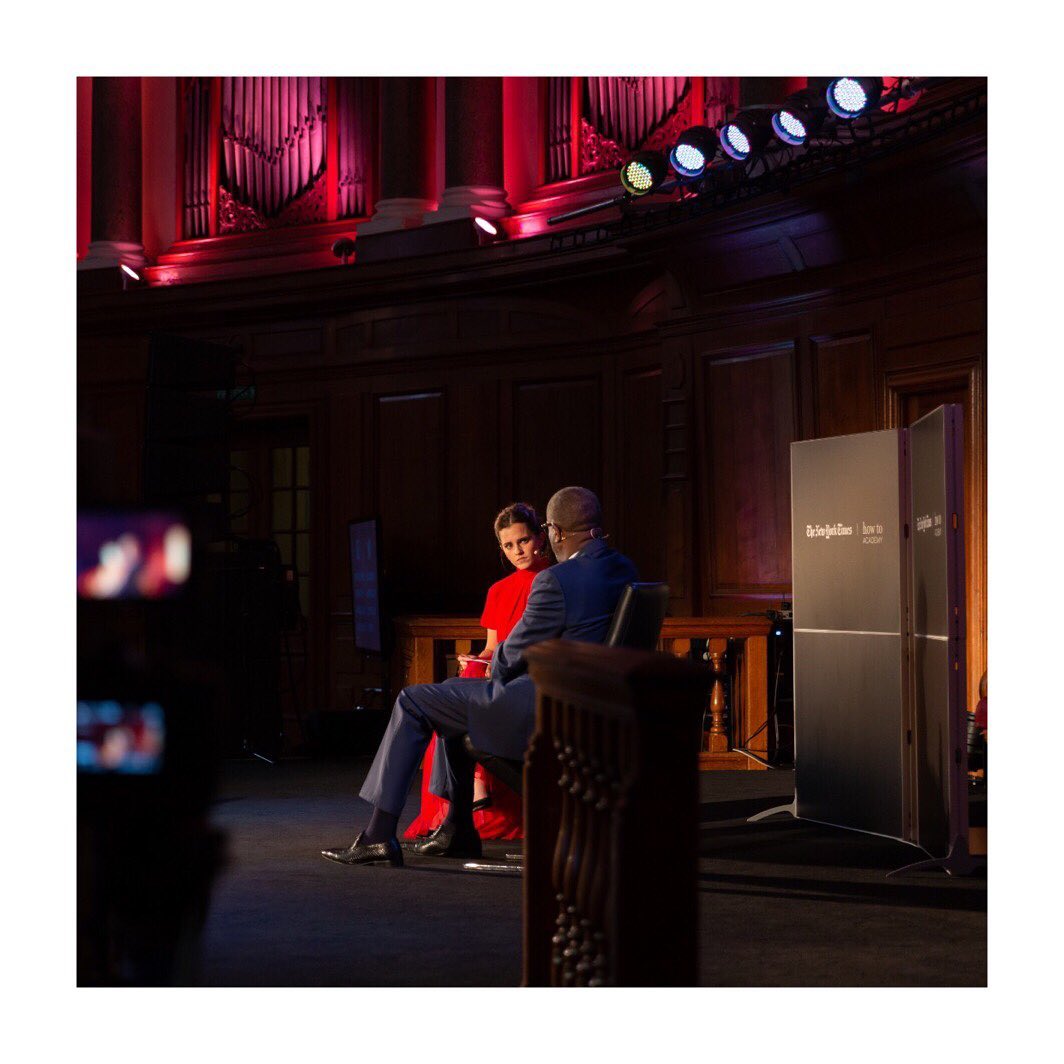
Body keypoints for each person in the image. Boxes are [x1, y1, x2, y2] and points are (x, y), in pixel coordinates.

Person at [321, 486, 638, 866]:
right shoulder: (624, 569)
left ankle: (377, 835)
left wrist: (498, 662)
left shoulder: (557, 581)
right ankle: (457, 829)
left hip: (542, 710)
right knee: (452, 694)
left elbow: (508, 658)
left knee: (413, 699)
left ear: (551, 532)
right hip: (591, 707)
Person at [403, 502, 551, 842]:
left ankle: (476, 786)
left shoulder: (551, 582)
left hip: (527, 676)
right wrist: (477, 659)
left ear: (540, 537)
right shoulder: (498, 591)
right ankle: (467, 796)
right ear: (501, 548)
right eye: (509, 545)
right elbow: (492, 645)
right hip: (496, 670)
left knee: (464, 689)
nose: (518, 551)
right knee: (458, 682)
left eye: (524, 541)